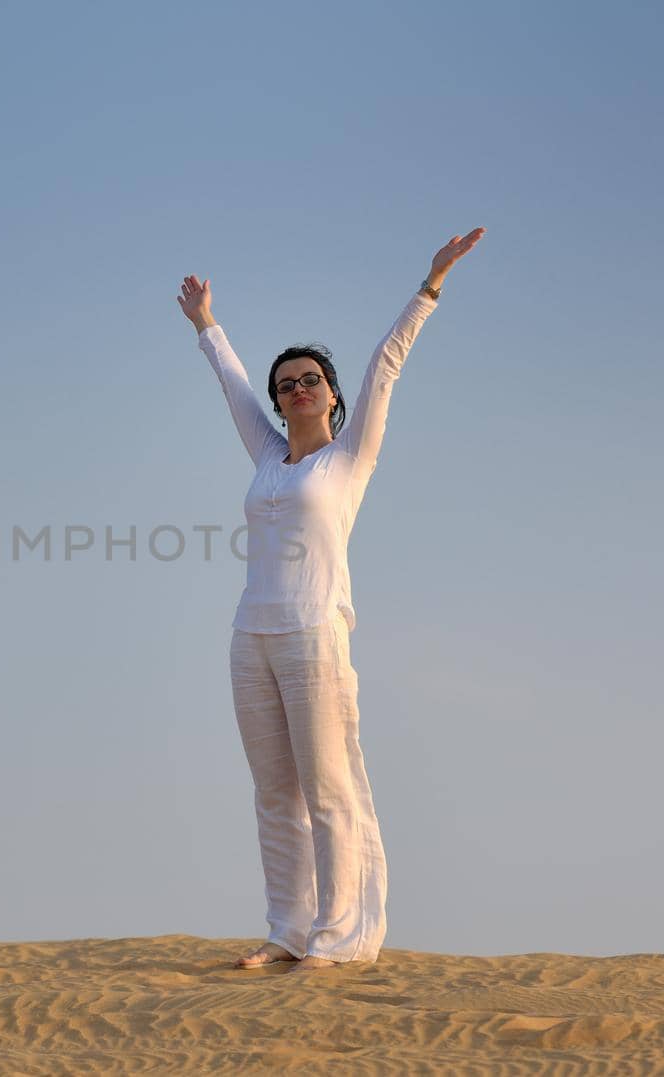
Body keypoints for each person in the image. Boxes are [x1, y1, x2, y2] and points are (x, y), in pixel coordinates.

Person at [174, 228, 486, 973]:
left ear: (332, 394)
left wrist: (431, 284)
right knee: (272, 791)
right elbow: (233, 385)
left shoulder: (349, 458)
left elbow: (387, 364)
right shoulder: (267, 454)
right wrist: (206, 325)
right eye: (287, 385)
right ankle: (287, 929)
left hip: (315, 633)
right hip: (251, 636)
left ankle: (339, 937)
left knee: (328, 788)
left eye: (310, 379)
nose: (296, 389)